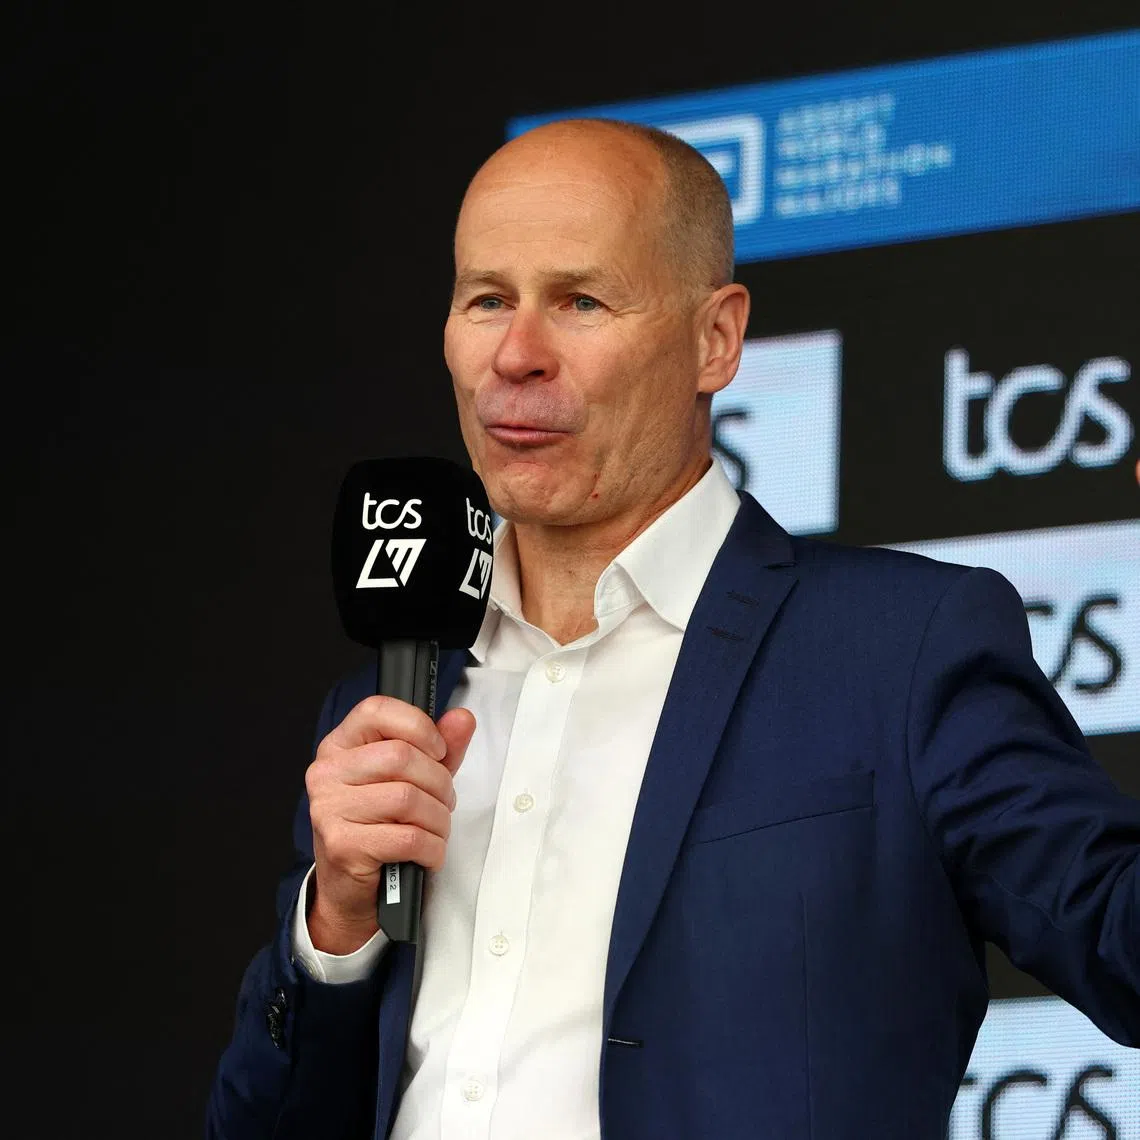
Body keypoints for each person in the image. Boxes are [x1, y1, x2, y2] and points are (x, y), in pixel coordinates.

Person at [206, 118, 1140, 1139]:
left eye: (581, 301)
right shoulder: (391, 699)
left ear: (716, 340)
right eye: (486, 300)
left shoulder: (903, 648)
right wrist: (332, 930)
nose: (515, 355)